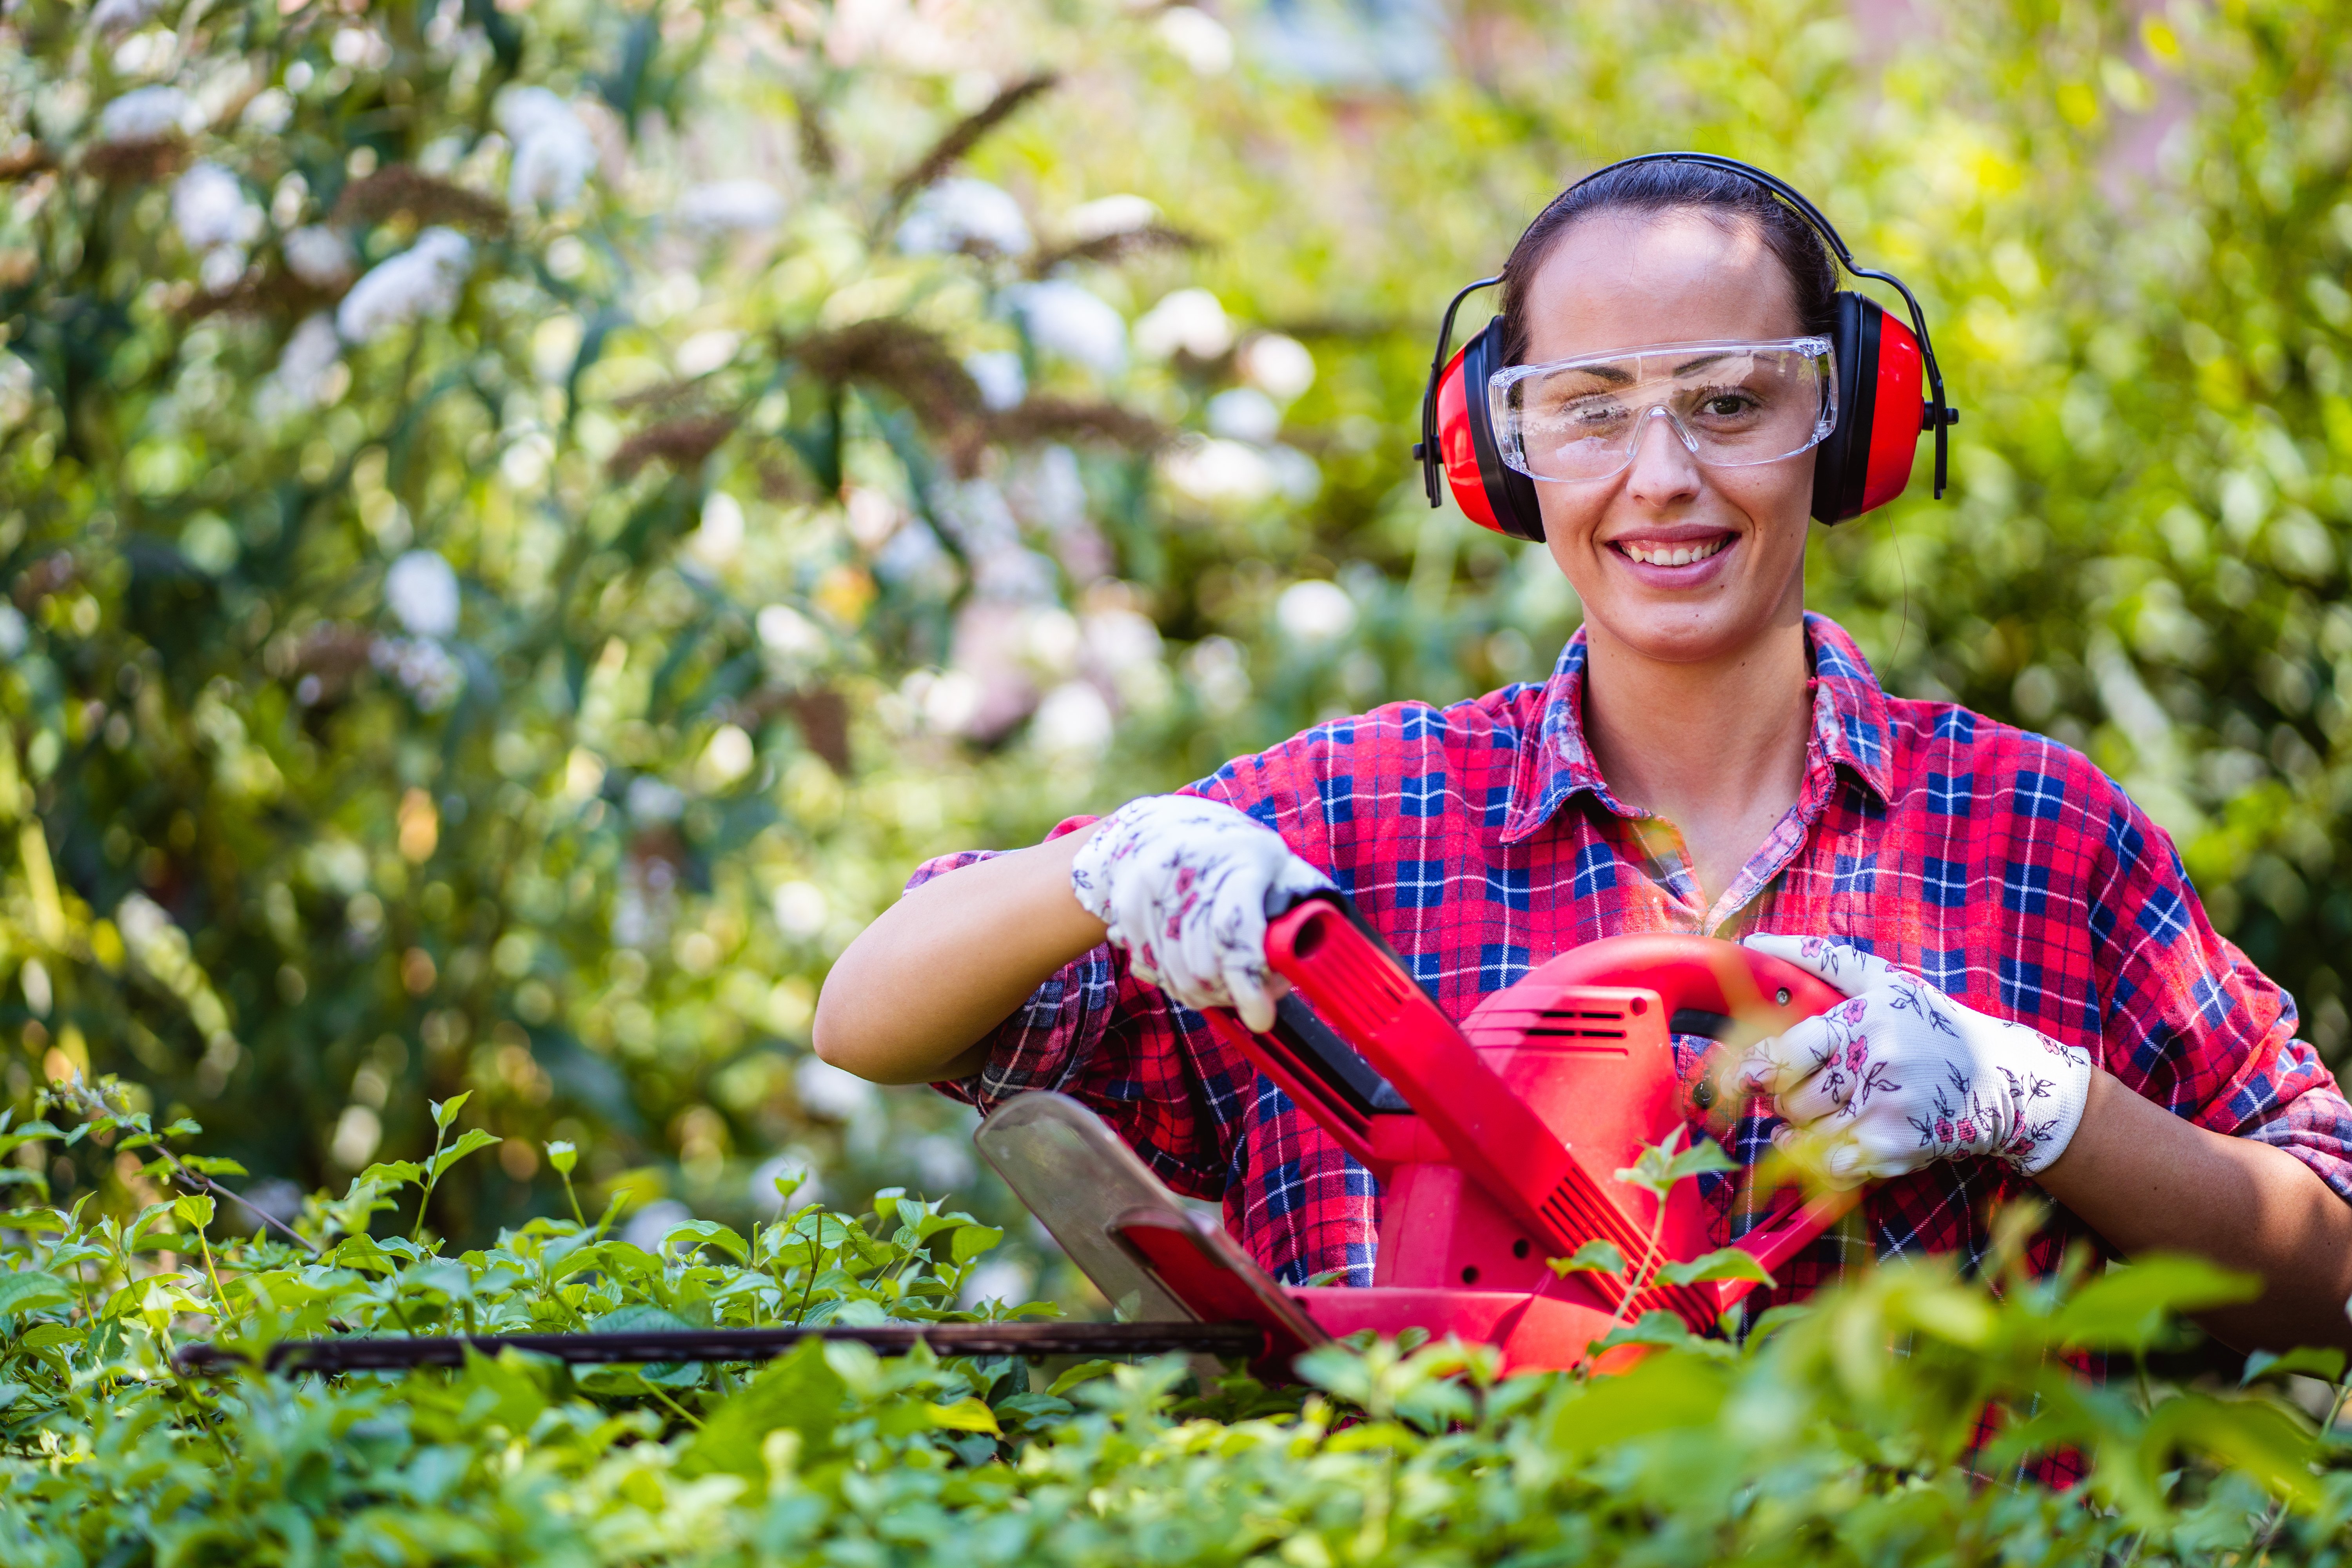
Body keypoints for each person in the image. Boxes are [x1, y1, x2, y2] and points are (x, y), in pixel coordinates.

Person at [815, 159, 2352, 1357]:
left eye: (1732, 401)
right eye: (1589, 408)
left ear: (1847, 421)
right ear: (1502, 449)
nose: (1661, 476)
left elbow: (2327, 1273)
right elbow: (872, 1018)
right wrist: (1107, 864)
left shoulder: (2033, 834)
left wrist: (2040, 1102)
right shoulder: (1351, 814)